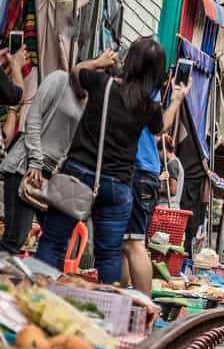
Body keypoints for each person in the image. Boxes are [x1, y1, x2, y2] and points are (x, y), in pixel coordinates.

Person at [36, 38, 178, 285]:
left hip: (78, 174)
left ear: (130, 60)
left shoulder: (103, 83)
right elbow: (160, 128)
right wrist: (176, 101)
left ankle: (40, 298)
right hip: (117, 186)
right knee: (109, 257)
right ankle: (110, 314)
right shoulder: (149, 107)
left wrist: (100, 61)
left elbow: (77, 70)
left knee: (54, 241)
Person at [0, 71, 87, 253]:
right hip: (25, 167)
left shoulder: (92, 100)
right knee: (15, 238)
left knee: (55, 238)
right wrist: (35, 161)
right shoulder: (60, 80)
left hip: (52, 175)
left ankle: (42, 278)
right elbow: (34, 117)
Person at [121, 81, 187, 294]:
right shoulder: (149, 92)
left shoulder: (142, 91)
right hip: (138, 173)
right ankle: (121, 302)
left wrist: (176, 101)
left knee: (131, 244)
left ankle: (143, 304)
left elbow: (160, 126)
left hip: (135, 171)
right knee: (126, 245)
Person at [157, 134, 184, 208]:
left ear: (163, 150)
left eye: (158, 152)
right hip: (173, 206)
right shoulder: (176, 162)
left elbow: (172, 191)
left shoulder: (171, 164)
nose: (158, 156)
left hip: (167, 206)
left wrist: (156, 190)